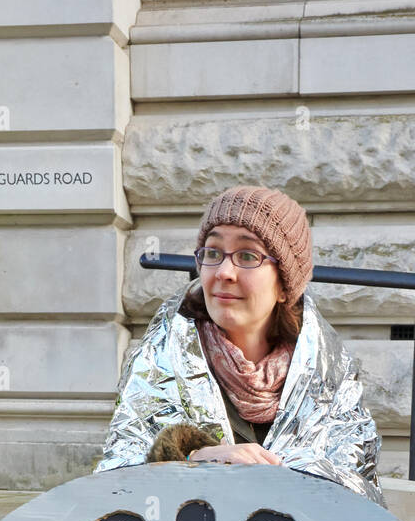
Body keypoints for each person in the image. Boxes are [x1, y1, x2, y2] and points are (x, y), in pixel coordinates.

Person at [94, 185, 385, 504]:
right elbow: (116, 483)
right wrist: (197, 458)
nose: (224, 272)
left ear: (284, 286)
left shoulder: (329, 375)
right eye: (213, 253)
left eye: (247, 255)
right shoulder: (160, 362)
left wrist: (286, 474)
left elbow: (359, 495)